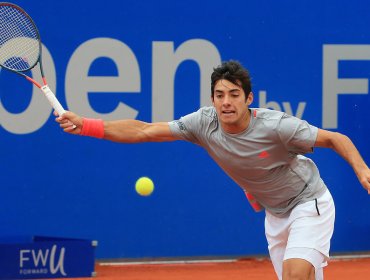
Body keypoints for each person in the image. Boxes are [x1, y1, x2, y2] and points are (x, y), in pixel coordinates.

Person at [56, 60, 370, 280]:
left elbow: (334, 138)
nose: (226, 102)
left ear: (248, 98)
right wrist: (86, 125)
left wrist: (362, 170)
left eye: (234, 95)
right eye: (220, 95)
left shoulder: (276, 126)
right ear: (212, 99)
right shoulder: (203, 123)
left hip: (308, 203)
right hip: (274, 215)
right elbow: (144, 130)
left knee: (294, 274)